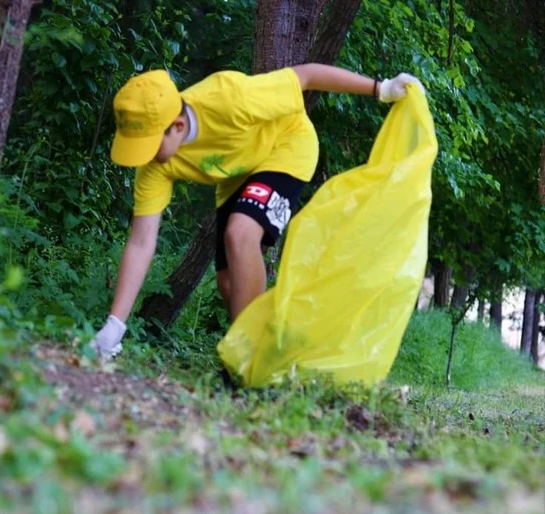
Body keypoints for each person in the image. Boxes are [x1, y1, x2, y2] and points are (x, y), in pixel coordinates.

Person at [91, 63, 423, 359]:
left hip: (286, 148)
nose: (144, 155)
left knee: (240, 232)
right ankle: (281, 349)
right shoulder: (154, 166)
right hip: (237, 175)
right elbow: (141, 242)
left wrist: (381, 88)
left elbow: (306, 76)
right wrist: (114, 326)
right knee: (228, 284)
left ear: (177, 126)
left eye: (149, 144)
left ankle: (246, 359)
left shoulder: (229, 97)